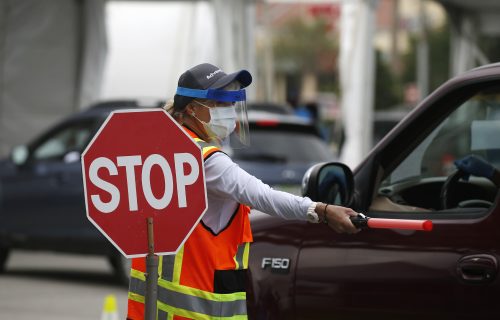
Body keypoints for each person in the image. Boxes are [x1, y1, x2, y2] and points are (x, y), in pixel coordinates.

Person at [127, 63, 359, 320]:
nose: (230, 113)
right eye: (220, 104)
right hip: (200, 311)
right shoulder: (206, 161)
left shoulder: (159, 151)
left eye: (232, 104)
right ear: (192, 109)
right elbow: (263, 195)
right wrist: (322, 210)